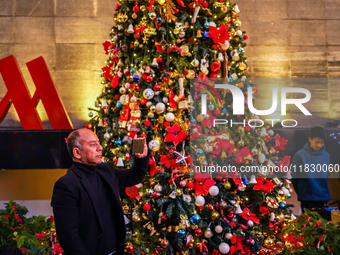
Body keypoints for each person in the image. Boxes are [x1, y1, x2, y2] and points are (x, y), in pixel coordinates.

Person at [51, 128, 150, 255]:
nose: (100, 148)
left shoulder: (106, 170)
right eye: (92, 144)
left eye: (98, 143)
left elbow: (133, 177)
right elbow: (68, 236)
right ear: (77, 152)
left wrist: (140, 156)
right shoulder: (66, 184)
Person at [291, 126, 331, 214]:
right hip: (307, 198)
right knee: (308, 224)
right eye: (317, 142)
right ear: (310, 139)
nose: (319, 145)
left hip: (323, 196)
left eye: (322, 143)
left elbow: (326, 176)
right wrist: (303, 192)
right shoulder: (299, 155)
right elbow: (295, 177)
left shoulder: (326, 156)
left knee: (324, 224)